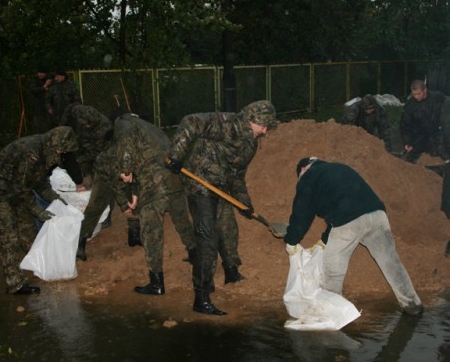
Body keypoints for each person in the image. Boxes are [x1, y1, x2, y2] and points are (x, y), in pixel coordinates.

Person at [165, 100, 278, 316]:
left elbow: (237, 175)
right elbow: (191, 121)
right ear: (252, 120)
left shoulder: (250, 143)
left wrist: (244, 201)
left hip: (221, 186)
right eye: (263, 126)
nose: (265, 131)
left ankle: (231, 271)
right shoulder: (228, 124)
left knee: (227, 229)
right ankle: (202, 296)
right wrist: (176, 154)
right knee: (208, 238)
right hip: (200, 183)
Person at [274, 157, 423, 316]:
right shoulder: (338, 168)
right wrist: (324, 240)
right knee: (391, 263)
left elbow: (302, 213)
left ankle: (332, 313)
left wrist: (291, 241)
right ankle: (413, 305)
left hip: (350, 221)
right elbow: (343, 202)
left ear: (303, 170)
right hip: (378, 215)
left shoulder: (309, 176)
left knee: (332, 269)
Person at [76, 111, 197, 298]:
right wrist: (129, 200)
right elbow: (119, 183)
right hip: (171, 177)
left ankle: (156, 283)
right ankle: (195, 255)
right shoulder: (149, 129)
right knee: (181, 218)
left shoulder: (124, 124)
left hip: (153, 180)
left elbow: (125, 173)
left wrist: (126, 178)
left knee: (151, 231)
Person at [0, 126, 79, 295]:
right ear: (54, 143)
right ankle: (15, 283)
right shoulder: (32, 152)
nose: (61, 153)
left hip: (17, 187)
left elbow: (40, 183)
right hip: (0, 188)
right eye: (60, 150)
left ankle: (37, 264)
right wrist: (38, 211)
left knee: (28, 229)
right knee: (9, 235)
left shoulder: (46, 152)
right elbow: (23, 189)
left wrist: (57, 200)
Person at [59, 102, 113, 183]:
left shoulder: (104, 128)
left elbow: (98, 150)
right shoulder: (78, 111)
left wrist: (81, 159)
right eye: (84, 124)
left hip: (100, 150)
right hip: (83, 142)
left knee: (98, 162)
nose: (86, 126)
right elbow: (70, 109)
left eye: (88, 124)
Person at [399, 79, 447, 163]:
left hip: (435, 134)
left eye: (418, 94)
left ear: (425, 90)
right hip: (418, 136)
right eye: (414, 94)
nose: (416, 96)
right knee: (411, 161)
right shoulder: (410, 105)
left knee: (439, 159)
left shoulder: (437, 98)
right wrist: (407, 142)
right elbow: (404, 124)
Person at [29, 67, 52, 133]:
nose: (40, 74)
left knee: (48, 126)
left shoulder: (49, 80)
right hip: (37, 107)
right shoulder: (34, 80)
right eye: (39, 72)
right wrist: (44, 87)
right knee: (38, 126)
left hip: (48, 107)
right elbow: (33, 90)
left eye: (42, 73)